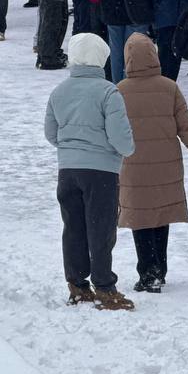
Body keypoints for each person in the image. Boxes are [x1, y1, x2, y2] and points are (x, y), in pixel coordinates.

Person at [44, 32, 136, 310]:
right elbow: (121, 138)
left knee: (73, 227)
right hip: (101, 171)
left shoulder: (59, 91)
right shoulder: (108, 92)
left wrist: (71, 148)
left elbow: (51, 133)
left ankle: (77, 284)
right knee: (101, 228)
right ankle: (105, 287)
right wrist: (125, 150)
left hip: (67, 170)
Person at [116, 33, 188, 293]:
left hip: (133, 168)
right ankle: (160, 269)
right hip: (167, 167)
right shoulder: (169, 87)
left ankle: (147, 271)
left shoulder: (120, 91)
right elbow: (186, 126)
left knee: (141, 219)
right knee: (160, 217)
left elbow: (111, 132)